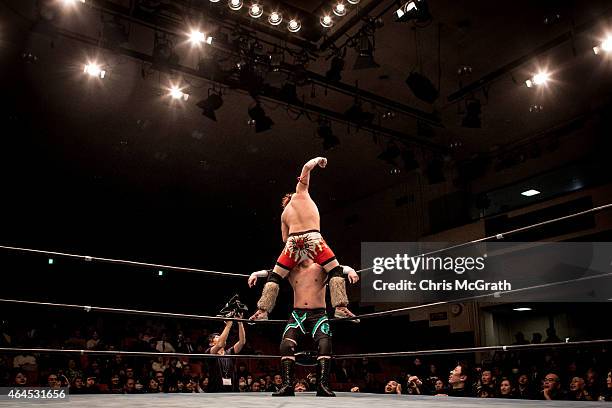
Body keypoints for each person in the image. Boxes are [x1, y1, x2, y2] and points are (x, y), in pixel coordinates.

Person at [254, 157, 355, 321]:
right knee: (335, 270)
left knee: (276, 277)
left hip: (293, 243)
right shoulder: (301, 193)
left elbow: (284, 238)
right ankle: (340, 308)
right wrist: (320, 160)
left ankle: (263, 311)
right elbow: (307, 167)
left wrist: (295, 252)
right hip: (312, 238)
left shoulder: (283, 215)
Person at [250, 258, 358, 397]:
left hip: (318, 313)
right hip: (298, 314)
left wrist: (351, 271)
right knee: (286, 345)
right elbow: (272, 272)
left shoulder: (322, 267)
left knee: (325, 344)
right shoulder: (291, 269)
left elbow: (340, 268)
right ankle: (288, 385)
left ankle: (322, 386)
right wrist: (255, 274)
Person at [205, 318, 246, 392]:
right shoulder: (209, 352)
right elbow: (220, 343)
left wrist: (240, 323)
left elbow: (242, 342)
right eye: (218, 337)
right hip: (216, 391)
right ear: (211, 343)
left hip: (231, 389)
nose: (223, 337)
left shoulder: (229, 352)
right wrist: (228, 326)